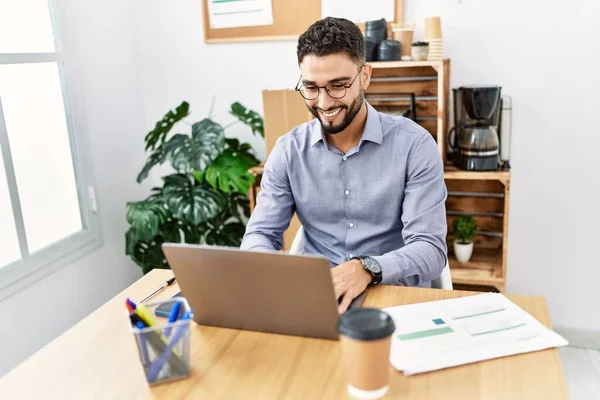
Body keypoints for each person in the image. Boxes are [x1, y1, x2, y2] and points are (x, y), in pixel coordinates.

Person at [241, 17, 447, 314]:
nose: (323, 103)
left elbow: (430, 250)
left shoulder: (414, 146)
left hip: (393, 301)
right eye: (311, 87)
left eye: (338, 86)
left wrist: (367, 268)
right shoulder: (288, 151)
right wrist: (265, 268)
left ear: (364, 76)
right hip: (316, 302)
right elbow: (260, 234)